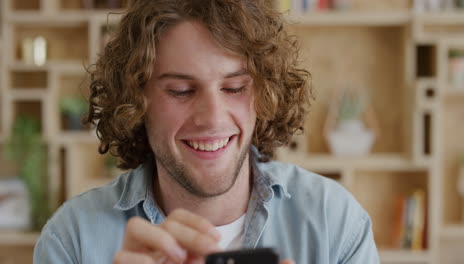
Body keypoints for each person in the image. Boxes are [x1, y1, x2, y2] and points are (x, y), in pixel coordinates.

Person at [34, 0, 380, 263]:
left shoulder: (334, 221)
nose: (213, 118)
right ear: (137, 100)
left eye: (234, 88)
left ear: (264, 93)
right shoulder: (72, 239)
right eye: (181, 91)